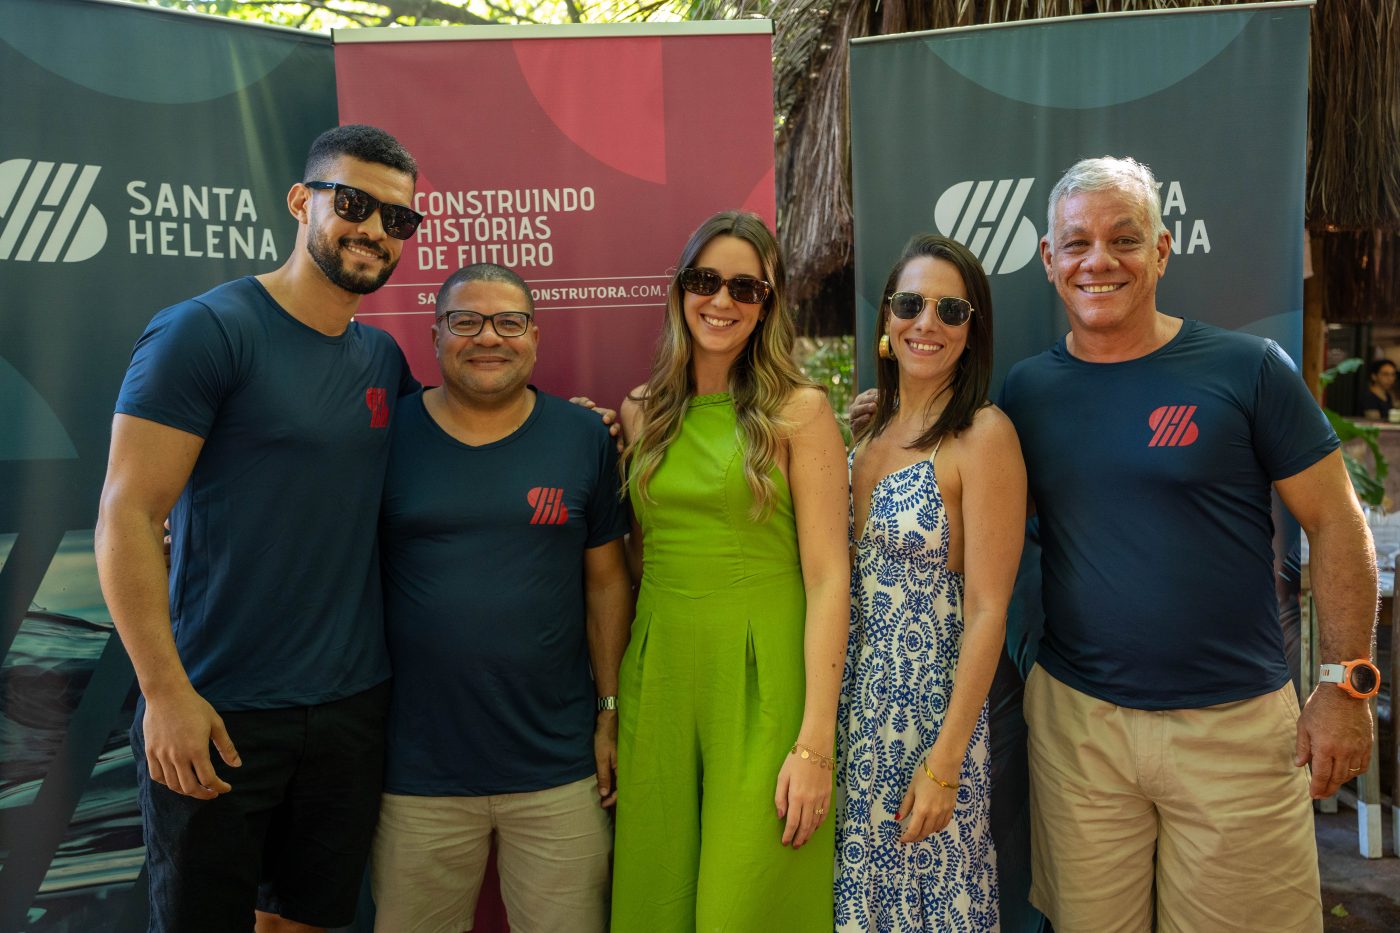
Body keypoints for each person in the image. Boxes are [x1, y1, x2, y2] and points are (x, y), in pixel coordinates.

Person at [998, 156, 1376, 932]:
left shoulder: (1246, 370)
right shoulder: (1024, 392)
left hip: (1233, 732)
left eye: (1124, 239)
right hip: (1080, 732)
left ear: (1163, 251)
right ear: (1048, 259)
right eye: (1076, 243)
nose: (1098, 260)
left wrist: (1343, 686)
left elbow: (1338, 522)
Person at [95, 125, 422, 933]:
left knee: (308, 921)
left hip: (350, 705)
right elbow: (126, 514)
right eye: (354, 204)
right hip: (218, 703)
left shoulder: (382, 361)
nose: (374, 230)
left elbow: (462, 448)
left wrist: (585, 428)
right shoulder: (206, 330)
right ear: (301, 200)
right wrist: (164, 694)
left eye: (397, 220)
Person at [369, 263, 632, 933]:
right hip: (413, 769)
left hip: (556, 767)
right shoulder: (384, 437)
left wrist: (609, 711)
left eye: (508, 321)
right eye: (466, 320)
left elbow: (606, 581)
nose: (488, 336)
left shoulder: (582, 439)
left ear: (535, 337)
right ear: (435, 335)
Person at [610, 210, 849, 931]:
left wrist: (814, 743)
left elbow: (829, 578)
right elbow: (635, 559)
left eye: (745, 288)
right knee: (657, 897)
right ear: (680, 290)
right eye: (705, 280)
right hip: (660, 677)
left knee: (745, 903)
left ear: (768, 304)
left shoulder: (799, 412)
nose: (722, 301)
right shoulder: (640, 411)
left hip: (761, 680)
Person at [836, 234, 1026, 931]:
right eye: (911, 303)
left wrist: (946, 760)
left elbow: (987, 610)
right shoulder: (866, 433)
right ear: (887, 318)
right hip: (849, 718)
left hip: (927, 725)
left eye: (950, 309)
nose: (927, 322)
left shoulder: (983, 435)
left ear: (972, 330)